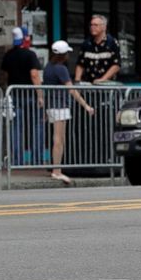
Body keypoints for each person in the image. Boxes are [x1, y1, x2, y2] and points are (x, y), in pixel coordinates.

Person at [43, 40, 95, 185]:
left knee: (59, 139)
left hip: (52, 105)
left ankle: (57, 169)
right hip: (60, 106)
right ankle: (57, 171)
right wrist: (86, 106)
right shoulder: (61, 69)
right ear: (63, 55)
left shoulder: (48, 67)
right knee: (59, 139)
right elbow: (71, 90)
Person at [0, 27, 45, 166]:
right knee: (36, 127)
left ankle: (17, 161)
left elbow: (6, 75)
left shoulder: (8, 55)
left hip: (15, 95)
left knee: (16, 129)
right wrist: (40, 95)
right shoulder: (30, 54)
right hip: (30, 96)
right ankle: (36, 160)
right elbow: (34, 75)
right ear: (25, 39)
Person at [75, 14, 121, 84]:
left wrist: (103, 79)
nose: (92, 27)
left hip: (107, 86)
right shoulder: (86, 43)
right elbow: (80, 64)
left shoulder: (112, 42)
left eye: (96, 25)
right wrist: (77, 81)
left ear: (104, 27)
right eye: (91, 25)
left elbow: (116, 65)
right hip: (89, 84)